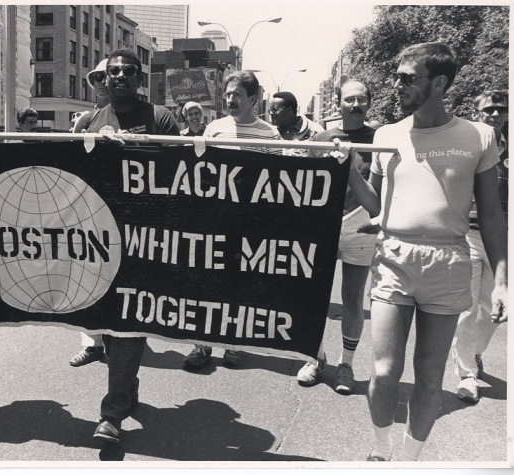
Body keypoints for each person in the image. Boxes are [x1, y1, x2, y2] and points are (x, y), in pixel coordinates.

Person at [343, 42, 507, 461]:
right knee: (383, 371)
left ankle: (410, 460)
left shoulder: (479, 135)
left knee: (430, 377)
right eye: (397, 76)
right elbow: (378, 207)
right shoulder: (387, 135)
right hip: (395, 258)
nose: (396, 85)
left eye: (406, 78)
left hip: (449, 262)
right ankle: (381, 455)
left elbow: (490, 214)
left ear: (438, 83)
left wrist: (502, 280)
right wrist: (348, 168)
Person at [76, 48, 180, 443]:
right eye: (111, 71)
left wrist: (131, 150)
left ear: (140, 79)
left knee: (127, 323)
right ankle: (127, 389)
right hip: (103, 236)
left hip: (147, 236)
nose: (118, 76)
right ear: (104, 79)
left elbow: (178, 172)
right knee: (112, 323)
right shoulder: (91, 120)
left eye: (127, 71)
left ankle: (112, 413)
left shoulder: (161, 118)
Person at [181, 70, 282, 369]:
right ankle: (201, 345)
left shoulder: (270, 134)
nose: (230, 99)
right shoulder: (214, 129)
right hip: (214, 219)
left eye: (236, 94)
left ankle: (234, 343)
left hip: (250, 222)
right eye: (227, 94)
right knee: (206, 282)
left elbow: (279, 179)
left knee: (239, 283)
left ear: (253, 98)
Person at [297, 80, 378, 395]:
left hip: (360, 225)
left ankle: (346, 365)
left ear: (368, 103)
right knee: (313, 296)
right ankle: (315, 359)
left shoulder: (379, 139)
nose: (356, 105)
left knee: (353, 299)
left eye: (361, 99)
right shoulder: (321, 137)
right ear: (338, 103)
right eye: (349, 100)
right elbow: (304, 184)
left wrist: (349, 164)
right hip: (324, 224)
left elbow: (376, 202)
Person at [450, 90, 509, 403]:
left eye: (502, 109)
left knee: (493, 310)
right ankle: (466, 374)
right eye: (489, 109)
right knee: (467, 309)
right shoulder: (468, 146)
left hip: (505, 239)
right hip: (470, 235)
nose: (496, 115)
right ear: (477, 113)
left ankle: (474, 352)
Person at [69, 59, 113, 368]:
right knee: (85, 275)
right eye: (95, 77)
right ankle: (92, 342)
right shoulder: (85, 119)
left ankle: (119, 338)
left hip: (120, 208)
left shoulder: (133, 116)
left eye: (105, 76)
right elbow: (70, 160)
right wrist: (77, 128)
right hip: (88, 207)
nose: (100, 82)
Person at [269, 91, 324, 156]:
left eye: (274, 110)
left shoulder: (316, 131)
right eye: (270, 110)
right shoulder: (270, 132)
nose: (271, 113)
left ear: (289, 110)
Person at [71, 59, 112, 135]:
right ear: (93, 82)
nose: (103, 82)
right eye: (99, 76)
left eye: (108, 78)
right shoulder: (85, 119)